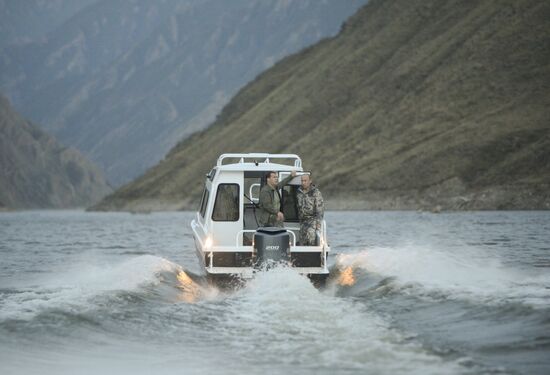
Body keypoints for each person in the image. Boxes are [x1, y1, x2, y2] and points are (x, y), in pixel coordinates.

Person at [296, 173, 324, 246]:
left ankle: (312, 255)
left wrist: (318, 223)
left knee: (311, 239)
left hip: (312, 221)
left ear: (310, 181)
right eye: (302, 181)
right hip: (302, 221)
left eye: (305, 181)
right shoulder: (298, 192)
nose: (303, 183)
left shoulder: (316, 192)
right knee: (302, 241)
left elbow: (320, 209)